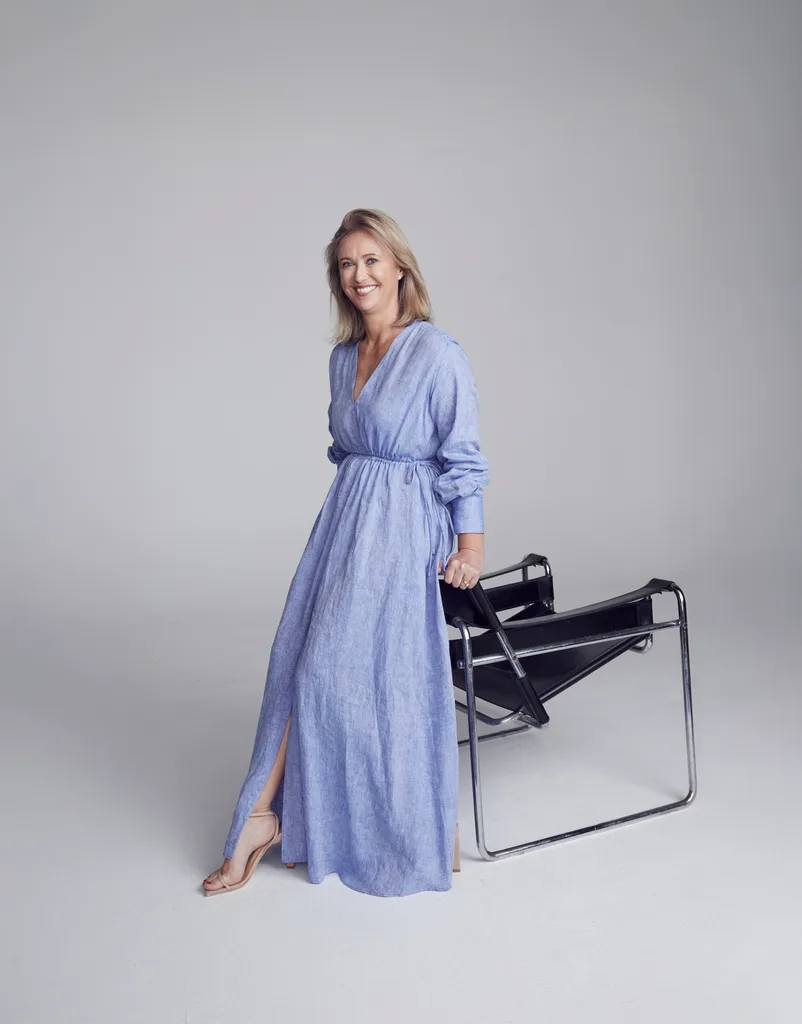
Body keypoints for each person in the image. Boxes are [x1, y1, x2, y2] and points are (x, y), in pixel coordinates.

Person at [202, 208, 490, 898]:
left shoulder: (437, 353)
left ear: (399, 268)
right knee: (299, 665)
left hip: (403, 528)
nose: (359, 275)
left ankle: (340, 826)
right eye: (345, 265)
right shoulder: (342, 357)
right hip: (343, 522)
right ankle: (267, 818)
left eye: (370, 261)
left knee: (367, 678)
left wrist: (470, 543)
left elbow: (463, 455)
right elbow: (347, 449)